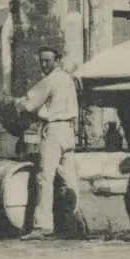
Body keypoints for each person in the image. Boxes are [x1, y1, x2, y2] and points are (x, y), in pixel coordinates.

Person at [14, 46, 82, 240]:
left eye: (48, 61)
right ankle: (74, 222)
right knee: (69, 178)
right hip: (68, 130)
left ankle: (42, 225)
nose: (44, 64)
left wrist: (14, 103)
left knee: (45, 178)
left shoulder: (50, 80)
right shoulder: (68, 78)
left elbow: (28, 102)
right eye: (42, 60)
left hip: (53, 130)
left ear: (57, 60)